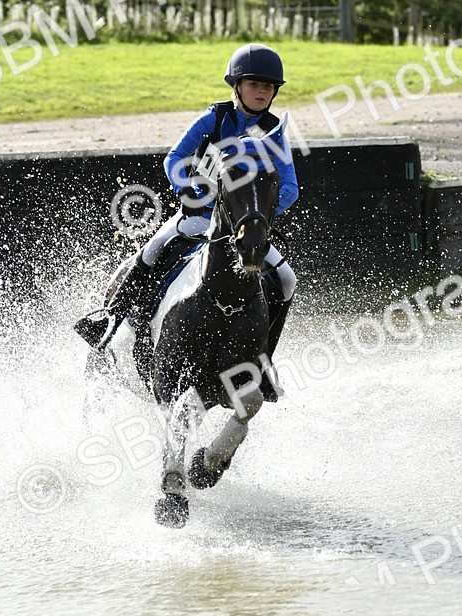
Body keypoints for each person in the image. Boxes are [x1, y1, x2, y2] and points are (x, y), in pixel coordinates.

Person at [75, 43, 298, 378]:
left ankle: (263, 361)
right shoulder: (215, 117)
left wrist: (257, 213)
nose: (262, 91)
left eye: (268, 87)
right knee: (150, 252)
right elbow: (174, 159)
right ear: (236, 86)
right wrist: (189, 192)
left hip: (241, 227)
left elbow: (291, 188)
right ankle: (109, 319)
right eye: (255, 84)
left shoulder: (274, 132)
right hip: (197, 216)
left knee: (286, 279)